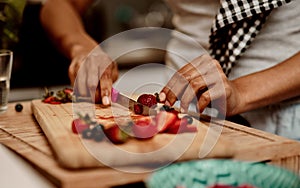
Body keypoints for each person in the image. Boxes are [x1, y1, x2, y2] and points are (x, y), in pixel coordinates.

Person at [40, 0, 300, 140]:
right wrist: (82, 47)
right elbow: (59, 4)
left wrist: (241, 92)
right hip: (184, 117)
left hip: (284, 123)